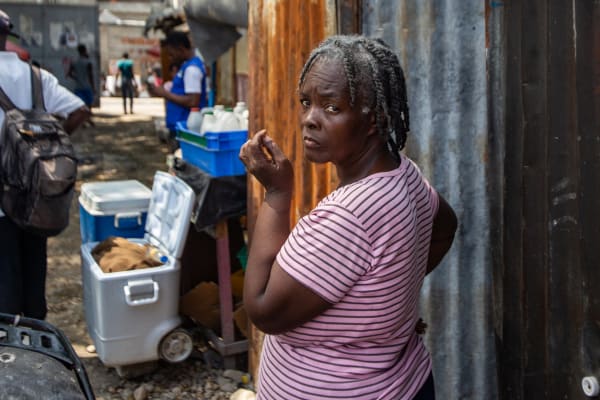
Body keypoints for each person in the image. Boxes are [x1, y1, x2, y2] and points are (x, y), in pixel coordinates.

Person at [239, 35, 458, 400]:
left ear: (376, 119)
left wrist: (277, 194)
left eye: (332, 107)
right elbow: (445, 227)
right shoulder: (404, 175)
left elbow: (261, 309)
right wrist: (387, 311)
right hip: (402, 384)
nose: (310, 119)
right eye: (306, 102)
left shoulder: (349, 217)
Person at [0, 9, 89, 320]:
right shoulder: (37, 76)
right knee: (34, 274)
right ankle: (38, 341)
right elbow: (79, 109)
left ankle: (11, 353)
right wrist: (48, 145)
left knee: (5, 282)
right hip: (37, 192)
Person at [148, 31, 208, 150]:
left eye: (171, 54)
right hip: (179, 128)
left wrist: (165, 94)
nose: (170, 58)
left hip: (185, 130)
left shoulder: (192, 69)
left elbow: (193, 101)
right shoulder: (186, 67)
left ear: (180, 49)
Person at [68, 44, 96, 125]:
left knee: (81, 105)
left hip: (78, 86)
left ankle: (83, 121)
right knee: (89, 104)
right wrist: (93, 87)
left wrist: (77, 78)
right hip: (87, 86)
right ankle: (88, 119)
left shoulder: (74, 62)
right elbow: (91, 76)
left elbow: (69, 73)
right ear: (85, 50)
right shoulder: (88, 62)